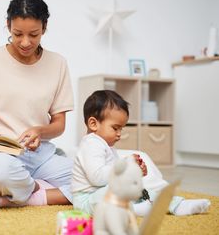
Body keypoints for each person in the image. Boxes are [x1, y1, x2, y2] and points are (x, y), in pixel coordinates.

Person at [0, 0, 74, 208]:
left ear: (44, 27)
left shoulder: (58, 63)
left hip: (40, 155)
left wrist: (39, 131)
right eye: (17, 34)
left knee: (91, 179)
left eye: (33, 34)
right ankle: (33, 187)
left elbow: (59, 125)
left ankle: (33, 196)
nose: (25, 42)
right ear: (8, 25)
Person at [72, 90, 211, 216]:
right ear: (93, 124)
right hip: (87, 201)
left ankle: (177, 205)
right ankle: (140, 208)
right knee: (118, 191)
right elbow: (97, 178)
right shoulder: (90, 144)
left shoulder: (105, 145)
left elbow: (114, 172)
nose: (119, 134)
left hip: (102, 192)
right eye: (115, 128)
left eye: (122, 129)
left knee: (142, 190)